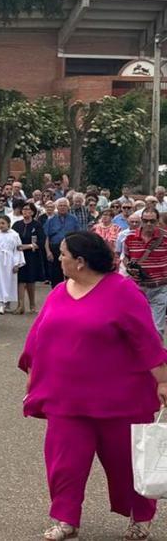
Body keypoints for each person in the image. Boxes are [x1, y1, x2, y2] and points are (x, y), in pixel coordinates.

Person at [19, 231, 167, 541]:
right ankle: (65, 519)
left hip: (119, 400)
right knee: (64, 464)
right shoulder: (59, 291)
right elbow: (38, 338)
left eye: (63, 254)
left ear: (80, 261)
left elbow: (146, 340)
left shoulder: (123, 291)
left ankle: (141, 517)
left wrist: (163, 380)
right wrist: (33, 378)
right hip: (65, 399)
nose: (59, 259)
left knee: (126, 463)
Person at [123, 208, 167, 339]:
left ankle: (156, 351)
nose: (148, 224)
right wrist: (129, 268)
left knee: (156, 330)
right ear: (141, 220)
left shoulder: (165, 238)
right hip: (137, 288)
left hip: (159, 288)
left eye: (152, 221)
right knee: (136, 328)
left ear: (157, 221)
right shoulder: (130, 237)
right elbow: (126, 257)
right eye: (145, 220)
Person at [12, 202, 46, 314]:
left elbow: (41, 241)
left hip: (32, 256)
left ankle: (32, 304)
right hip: (19, 255)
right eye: (24, 209)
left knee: (30, 280)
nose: (26, 211)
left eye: (28, 209)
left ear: (32, 212)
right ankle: (20, 305)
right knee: (20, 280)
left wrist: (28, 246)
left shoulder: (37, 225)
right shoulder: (17, 225)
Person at [0, 215, 25, 314]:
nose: (1, 225)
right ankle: (1, 303)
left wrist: (17, 264)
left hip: (9, 260)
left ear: (8, 224)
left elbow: (18, 250)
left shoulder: (14, 235)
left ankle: (7, 302)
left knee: (8, 281)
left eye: (3, 223)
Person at [44, 198, 83, 287]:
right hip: (55, 248)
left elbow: (78, 234)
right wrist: (48, 251)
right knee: (55, 274)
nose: (62, 207)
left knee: (70, 272)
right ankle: (57, 292)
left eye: (65, 205)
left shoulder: (73, 219)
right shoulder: (51, 220)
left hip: (69, 247)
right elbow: (46, 237)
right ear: (57, 207)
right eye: (60, 205)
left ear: (68, 207)